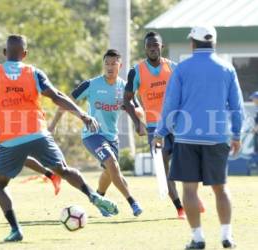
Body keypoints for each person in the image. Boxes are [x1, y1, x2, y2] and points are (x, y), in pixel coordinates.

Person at [0, 35, 118, 242]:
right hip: (38, 134)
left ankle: (16, 229)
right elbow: (57, 95)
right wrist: (83, 115)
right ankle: (93, 195)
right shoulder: (33, 72)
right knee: (64, 169)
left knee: (0, 185)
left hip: (9, 138)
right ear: (25, 54)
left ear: (5, 54)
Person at [152, 25, 243, 249]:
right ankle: (226, 236)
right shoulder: (227, 68)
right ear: (214, 42)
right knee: (220, 188)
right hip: (217, 138)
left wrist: (161, 131)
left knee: (190, 190)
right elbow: (237, 107)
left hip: (187, 138)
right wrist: (237, 135)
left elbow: (171, 104)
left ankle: (198, 238)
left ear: (193, 43)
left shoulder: (182, 69)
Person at [0, 62, 61, 201]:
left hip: (13, 125)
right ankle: (51, 175)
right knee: (17, 156)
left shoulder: (7, 82)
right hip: (6, 126)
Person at [70, 49, 142, 216]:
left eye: (113, 64)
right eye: (106, 64)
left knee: (109, 171)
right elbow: (68, 101)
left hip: (112, 136)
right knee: (112, 164)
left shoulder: (125, 87)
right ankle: (133, 202)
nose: (109, 67)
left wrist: (132, 111)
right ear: (103, 65)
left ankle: (100, 200)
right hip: (92, 134)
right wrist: (82, 116)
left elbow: (139, 111)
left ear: (120, 65)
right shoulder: (91, 84)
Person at [124, 31, 187, 219]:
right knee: (162, 169)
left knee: (186, 163)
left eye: (156, 45)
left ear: (161, 46)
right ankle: (180, 208)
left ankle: (193, 197)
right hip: (153, 128)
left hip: (177, 125)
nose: (152, 48)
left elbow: (186, 91)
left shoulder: (173, 68)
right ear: (145, 48)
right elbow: (126, 100)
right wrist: (137, 122)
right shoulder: (136, 71)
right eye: (149, 45)